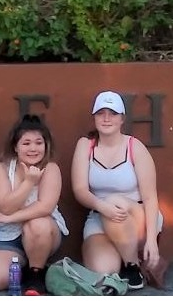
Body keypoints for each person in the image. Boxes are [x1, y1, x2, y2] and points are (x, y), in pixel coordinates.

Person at [70, 91, 164, 290]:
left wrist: (151, 240)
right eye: (101, 113)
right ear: (94, 117)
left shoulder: (135, 146)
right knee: (103, 271)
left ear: (122, 119)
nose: (106, 118)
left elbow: (150, 196)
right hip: (100, 217)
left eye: (112, 113)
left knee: (115, 200)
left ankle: (132, 264)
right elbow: (80, 189)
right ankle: (124, 257)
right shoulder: (85, 145)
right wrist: (102, 206)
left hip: (137, 217)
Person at [0, 115, 69, 294]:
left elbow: (44, 207)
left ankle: (36, 274)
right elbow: (5, 206)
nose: (33, 148)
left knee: (37, 223)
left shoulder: (51, 168)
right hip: (9, 234)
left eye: (38, 143)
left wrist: (11, 218)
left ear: (46, 145)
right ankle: (25, 266)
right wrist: (29, 182)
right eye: (26, 143)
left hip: (44, 232)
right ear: (15, 146)